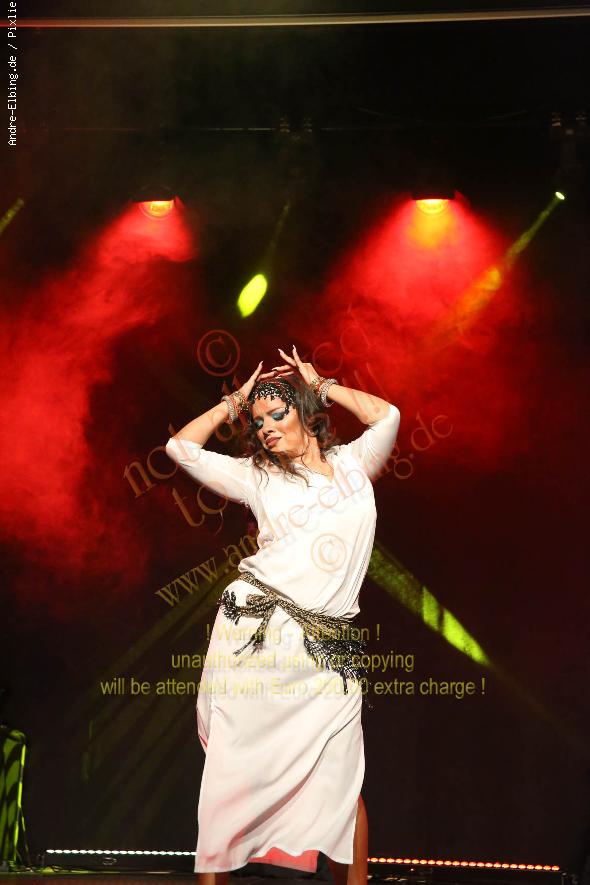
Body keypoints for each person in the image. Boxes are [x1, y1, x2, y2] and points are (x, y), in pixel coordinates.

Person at [165, 344, 401, 885]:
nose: (266, 428)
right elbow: (181, 448)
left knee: (343, 777)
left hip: (330, 647)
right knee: (234, 770)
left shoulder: (355, 465)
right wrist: (235, 402)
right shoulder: (258, 476)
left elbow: (387, 415)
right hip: (259, 634)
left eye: (277, 414)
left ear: (307, 415)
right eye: (258, 421)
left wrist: (322, 384)